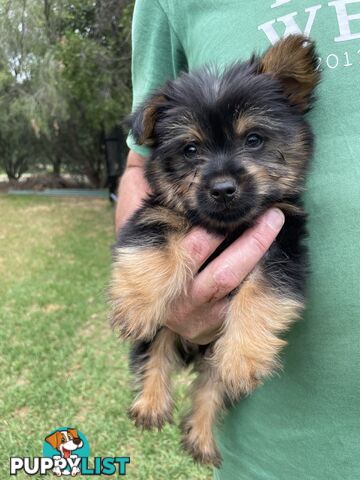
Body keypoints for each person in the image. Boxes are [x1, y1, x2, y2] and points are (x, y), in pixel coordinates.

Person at [115, 1, 360, 478]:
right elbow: (136, 169)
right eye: (191, 150)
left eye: (253, 141)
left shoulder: (281, 94)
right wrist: (151, 290)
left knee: (226, 363)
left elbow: (276, 283)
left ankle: (202, 421)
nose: (224, 179)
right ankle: (159, 389)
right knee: (174, 335)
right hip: (276, 447)